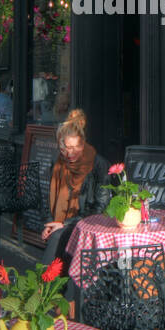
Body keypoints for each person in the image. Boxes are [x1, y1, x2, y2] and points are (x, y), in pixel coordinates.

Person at [40, 109, 109, 266]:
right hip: (61, 223)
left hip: (86, 224)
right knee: (55, 235)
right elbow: (46, 197)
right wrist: (49, 223)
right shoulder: (57, 163)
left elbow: (100, 208)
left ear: (83, 143)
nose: (70, 153)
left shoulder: (98, 165)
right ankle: (49, 286)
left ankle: (43, 287)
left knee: (57, 237)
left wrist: (65, 224)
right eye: (65, 148)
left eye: (75, 147)